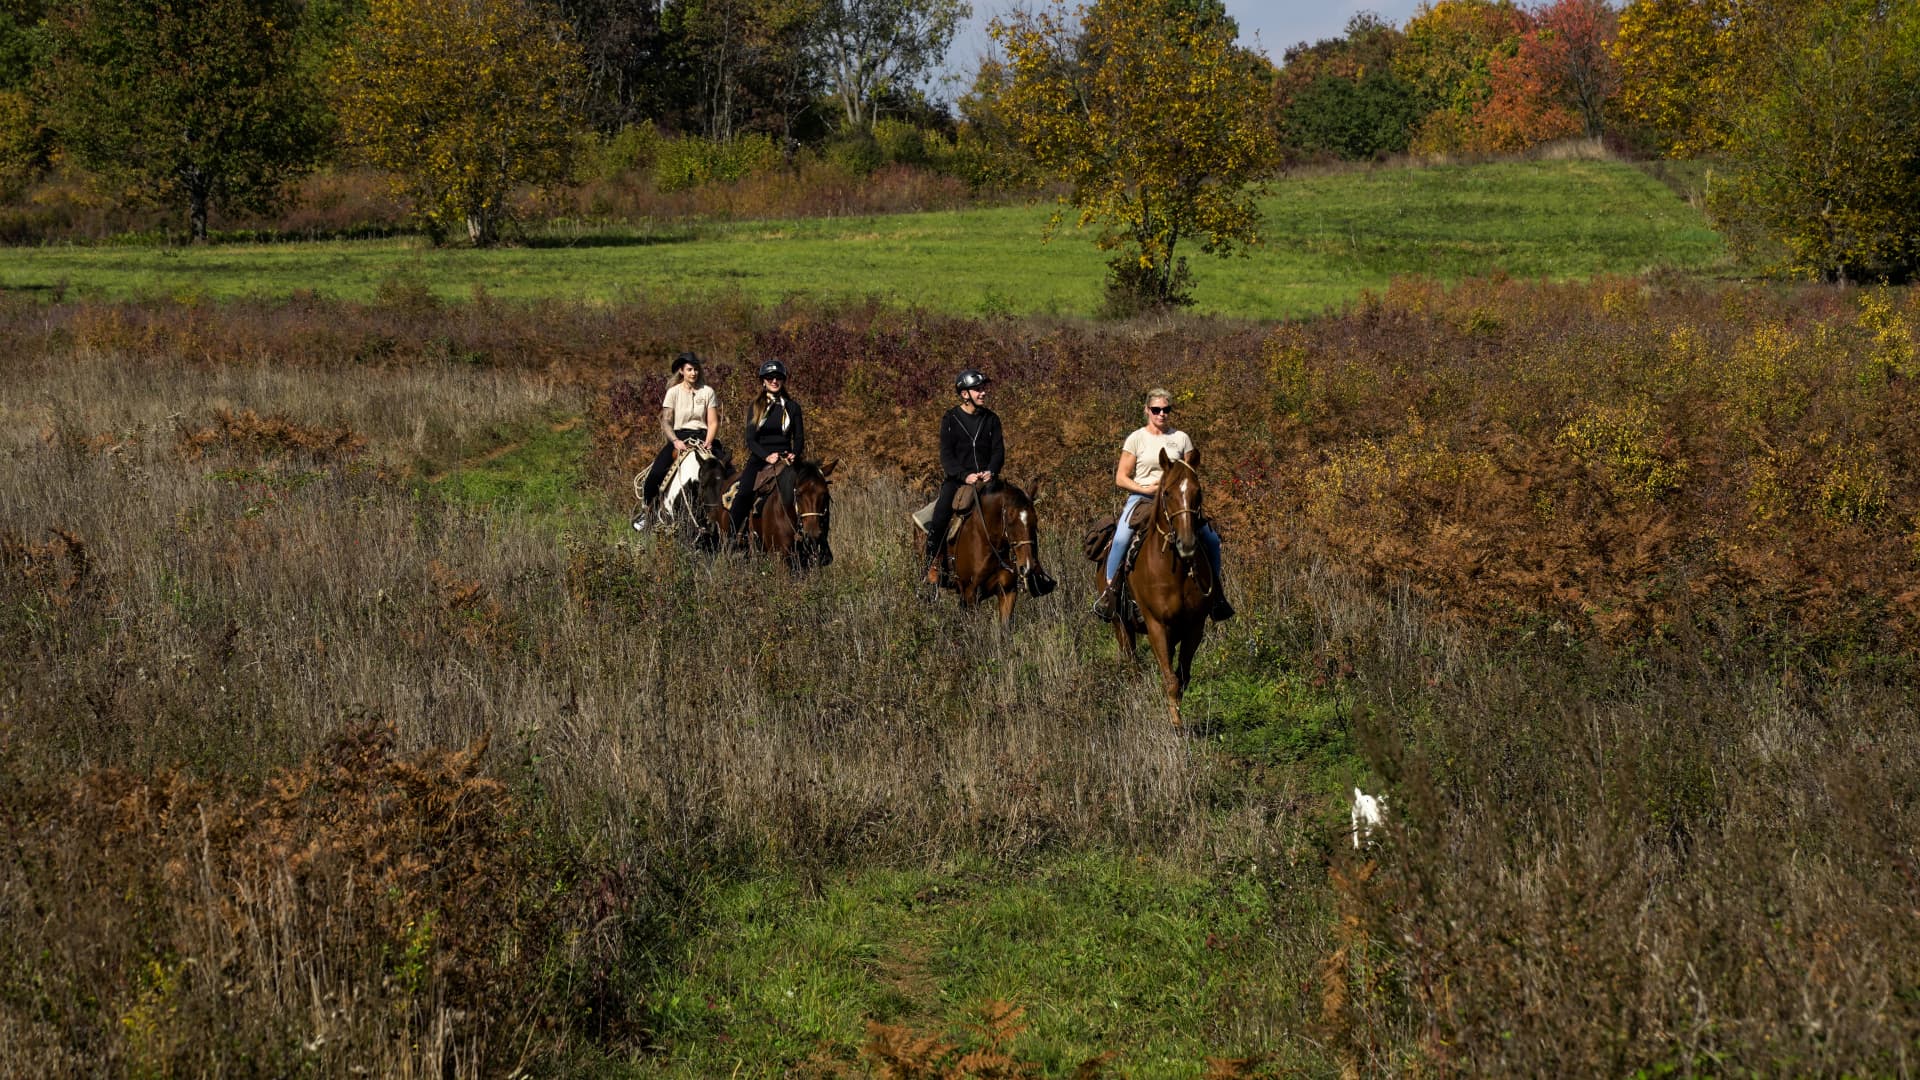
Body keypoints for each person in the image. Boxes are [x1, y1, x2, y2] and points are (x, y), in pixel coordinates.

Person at [1092, 388, 1233, 622]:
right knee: (1121, 537)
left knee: (1211, 540)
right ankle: (1110, 594)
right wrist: (1145, 489)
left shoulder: (1181, 439)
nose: (1161, 414)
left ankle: (1216, 595)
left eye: (1166, 409)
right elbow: (1121, 478)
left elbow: (1190, 473)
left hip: (1177, 501)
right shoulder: (1136, 439)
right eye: (1156, 409)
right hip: (1143, 498)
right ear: (1147, 410)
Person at [924, 368, 1005, 584]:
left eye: (983, 389)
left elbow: (998, 451)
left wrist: (991, 471)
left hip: (988, 481)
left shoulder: (992, 419)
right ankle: (931, 566)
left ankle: (1027, 571)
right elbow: (946, 455)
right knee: (940, 516)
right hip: (958, 482)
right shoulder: (950, 419)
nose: (983, 393)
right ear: (964, 394)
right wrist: (964, 475)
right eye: (978, 390)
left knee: (1017, 512)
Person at [637, 352, 722, 527]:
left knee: (726, 469)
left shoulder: (708, 392)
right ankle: (647, 511)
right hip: (680, 437)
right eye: (690, 369)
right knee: (656, 473)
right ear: (682, 371)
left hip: (703, 437)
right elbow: (666, 422)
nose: (694, 373)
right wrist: (675, 441)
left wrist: (708, 440)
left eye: (696, 369)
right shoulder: (673, 392)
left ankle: (733, 513)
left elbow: (713, 422)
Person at [729, 358, 806, 539]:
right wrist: (767, 457)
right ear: (763, 381)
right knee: (744, 492)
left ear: (783, 380)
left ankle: (817, 541)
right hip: (760, 457)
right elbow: (751, 440)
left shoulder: (793, 407)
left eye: (778, 377)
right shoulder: (756, 407)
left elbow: (800, 437)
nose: (774, 381)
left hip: (787, 457)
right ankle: (731, 537)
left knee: (812, 489)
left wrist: (795, 453)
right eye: (770, 377)